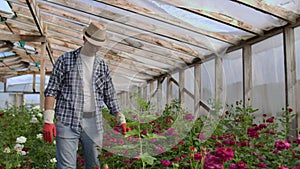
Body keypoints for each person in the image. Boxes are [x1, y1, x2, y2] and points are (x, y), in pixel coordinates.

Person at [42, 21, 128, 169]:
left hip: (93, 122)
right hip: (67, 120)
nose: (95, 47)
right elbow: (51, 90)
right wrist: (48, 120)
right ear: (84, 39)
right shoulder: (65, 60)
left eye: (98, 44)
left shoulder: (102, 65)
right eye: (92, 43)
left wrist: (120, 118)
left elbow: (109, 94)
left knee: (95, 165)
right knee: (65, 167)